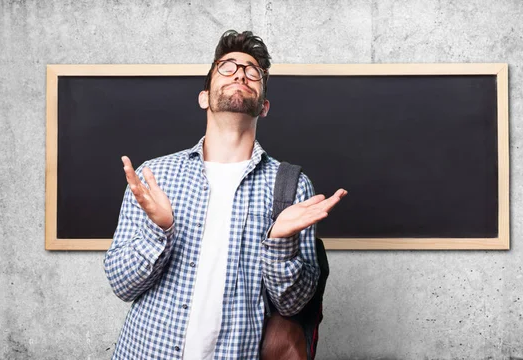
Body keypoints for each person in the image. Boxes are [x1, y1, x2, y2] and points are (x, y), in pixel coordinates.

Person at [104, 29, 347, 360]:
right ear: (204, 97)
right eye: (227, 67)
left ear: (264, 106)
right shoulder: (154, 176)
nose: (241, 75)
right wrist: (158, 231)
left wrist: (279, 241)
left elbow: (293, 304)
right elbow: (123, 286)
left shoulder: (291, 186)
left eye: (252, 72)